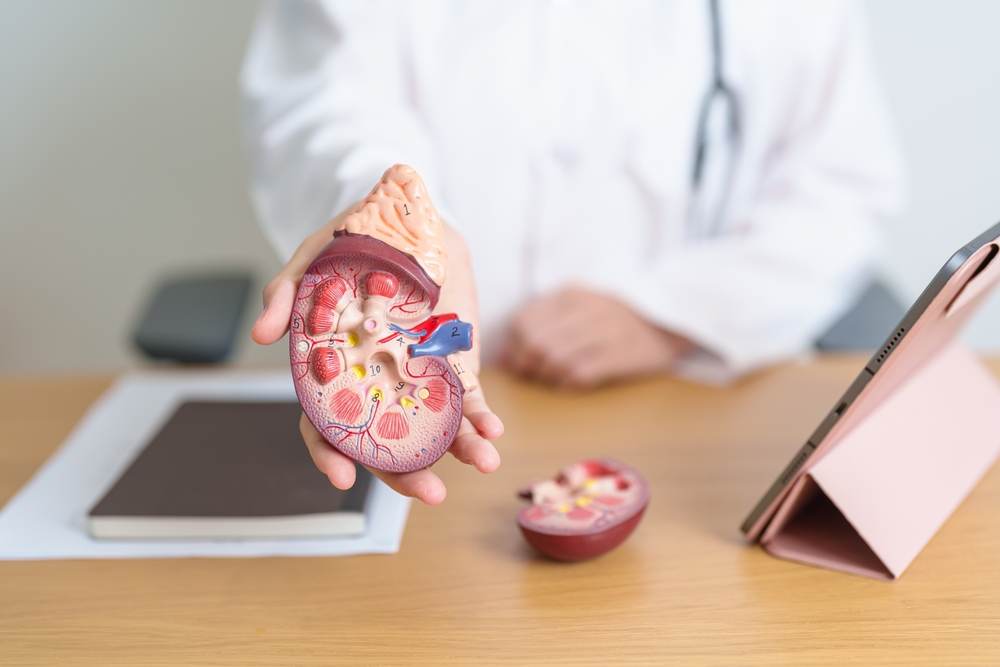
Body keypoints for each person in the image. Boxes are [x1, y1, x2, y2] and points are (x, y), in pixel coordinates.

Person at [241, 0, 905, 502]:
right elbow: (321, 101)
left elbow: (840, 183)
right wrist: (399, 224)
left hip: (682, 420)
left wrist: (668, 314)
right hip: (429, 407)